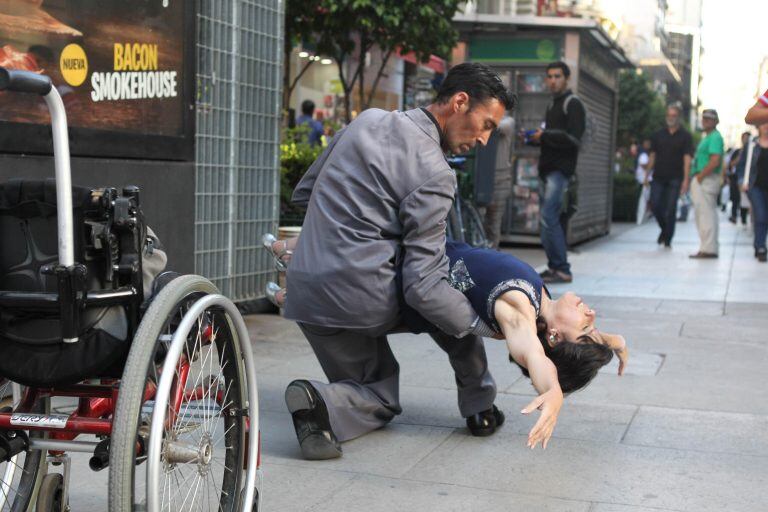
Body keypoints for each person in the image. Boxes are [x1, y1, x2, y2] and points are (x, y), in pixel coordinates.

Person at [280, 63, 516, 460]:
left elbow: (305, 193)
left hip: (306, 290)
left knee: (373, 383)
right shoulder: (435, 172)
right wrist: (486, 324)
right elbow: (423, 287)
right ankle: (480, 405)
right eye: (486, 124)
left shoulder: (366, 120)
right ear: (460, 102)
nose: (484, 140)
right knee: (453, 291)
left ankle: (320, 405)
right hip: (361, 296)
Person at [265, 236, 629, 449]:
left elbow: (532, 353)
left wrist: (552, 390)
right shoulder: (538, 304)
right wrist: (615, 341)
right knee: (462, 338)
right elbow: (552, 345)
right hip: (395, 279)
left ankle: (321, 402)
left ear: (553, 337)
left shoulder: (519, 308)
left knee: (383, 393)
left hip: (382, 287)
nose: (592, 315)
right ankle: (480, 408)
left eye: (586, 329)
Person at [526, 61, 586, 284]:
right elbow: (552, 138)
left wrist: (546, 135)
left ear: (567, 78)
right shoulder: (552, 105)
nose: (552, 80)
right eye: (549, 76)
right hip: (547, 171)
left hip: (560, 173)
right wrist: (535, 139)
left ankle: (562, 268)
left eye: (557, 76)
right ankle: (555, 267)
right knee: (552, 221)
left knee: (549, 219)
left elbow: (574, 140)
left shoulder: (573, 104)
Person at [647, 105, 694, 248]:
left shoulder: (686, 136)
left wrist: (686, 179)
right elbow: (652, 155)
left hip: (676, 177)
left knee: (671, 208)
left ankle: (668, 238)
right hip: (658, 176)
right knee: (654, 205)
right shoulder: (657, 135)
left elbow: (687, 158)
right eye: (668, 115)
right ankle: (664, 229)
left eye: (673, 115)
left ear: (678, 117)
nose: (670, 118)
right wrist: (646, 174)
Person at [687, 109, 724, 259]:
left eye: (709, 119)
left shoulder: (715, 137)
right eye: (704, 118)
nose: (706, 121)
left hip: (706, 179)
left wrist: (700, 177)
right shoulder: (707, 137)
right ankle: (706, 246)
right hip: (702, 178)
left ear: (716, 121)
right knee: (702, 214)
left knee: (706, 214)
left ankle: (709, 249)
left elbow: (714, 160)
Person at [482, 110, 515, 248]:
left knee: (493, 224)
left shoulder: (508, 122)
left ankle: (492, 255)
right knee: (479, 221)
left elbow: (495, 127)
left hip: (500, 180)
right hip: (482, 178)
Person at [742, 123, 768, 262]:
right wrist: (742, 181)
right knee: (761, 214)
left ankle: (760, 243)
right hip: (755, 186)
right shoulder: (752, 145)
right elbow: (742, 164)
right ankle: (760, 246)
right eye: (764, 123)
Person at [635, 139, 652, 225]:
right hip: (643, 180)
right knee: (643, 198)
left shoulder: (646, 154)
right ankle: (640, 217)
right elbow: (643, 165)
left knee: (646, 198)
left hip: (646, 179)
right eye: (647, 144)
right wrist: (651, 165)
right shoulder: (643, 155)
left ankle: (645, 214)